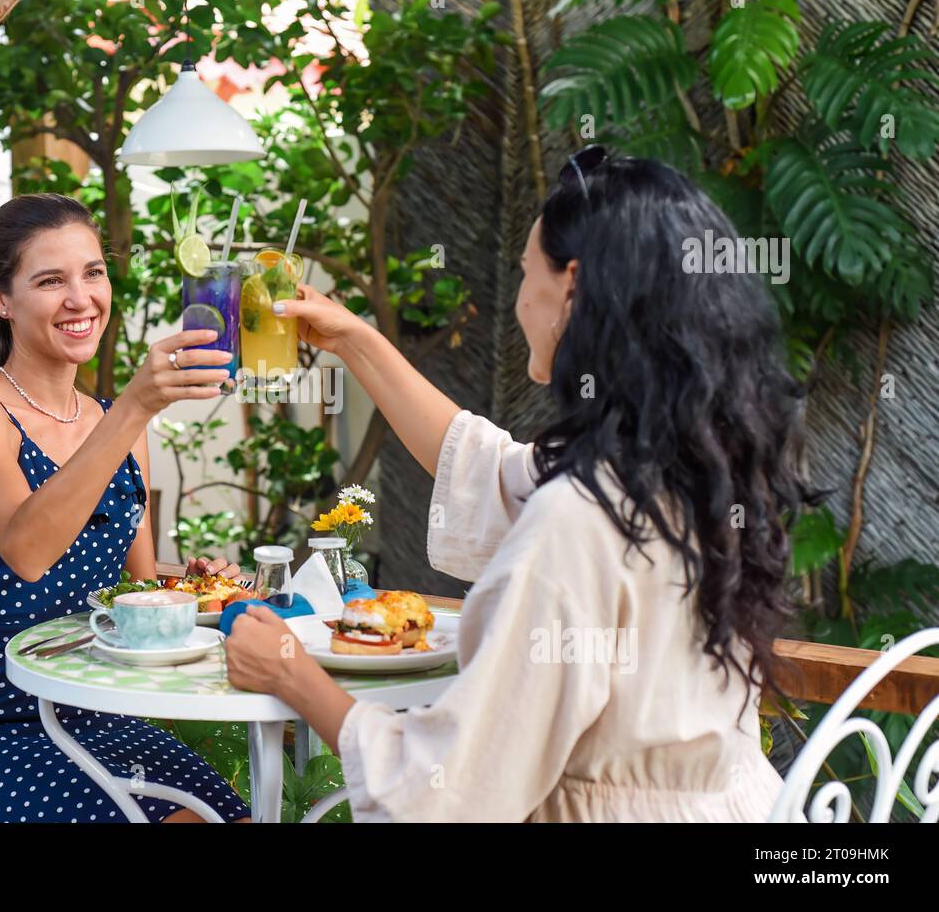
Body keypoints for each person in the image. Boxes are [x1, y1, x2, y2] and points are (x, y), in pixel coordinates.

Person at [224, 151, 814, 822]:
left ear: (573, 286)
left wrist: (292, 675)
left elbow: (451, 791)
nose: (516, 300)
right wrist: (357, 342)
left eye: (525, 274)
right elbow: (484, 467)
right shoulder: (689, 471)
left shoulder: (578, 517)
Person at [0, 193, 250, 823]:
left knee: (226, 817)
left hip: (95, 708)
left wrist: (203, 585)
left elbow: (138, 586)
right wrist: (134, 409)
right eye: (50, 280)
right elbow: (29, 551)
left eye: (92, 272)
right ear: (1, 299)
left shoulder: (112, 420)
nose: (81, 298)